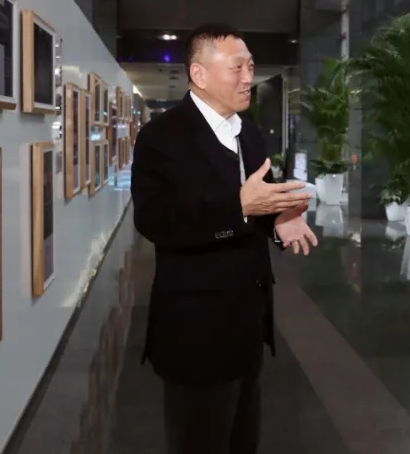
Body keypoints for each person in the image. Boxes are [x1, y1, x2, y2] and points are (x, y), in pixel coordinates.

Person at [131, 23, 317, 454]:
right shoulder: (161, 137)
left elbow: (258, 203)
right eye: (237, 68)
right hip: (195, 334)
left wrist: (279, 219)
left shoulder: (248, 133)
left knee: (242, 441)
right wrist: (239, 206)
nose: (249, 77)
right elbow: (155, 221)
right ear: (199, 74)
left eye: (251, 66)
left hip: (249, 327)